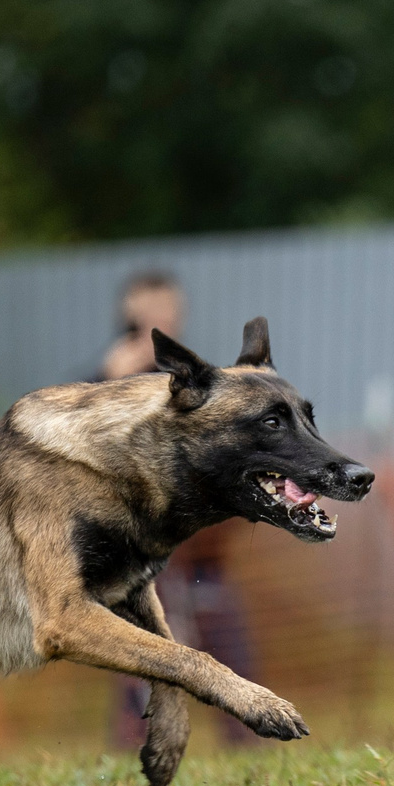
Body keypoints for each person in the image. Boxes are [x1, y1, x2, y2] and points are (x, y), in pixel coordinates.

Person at [99, 271, 263, 753]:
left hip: (199, 553)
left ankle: (252, 745)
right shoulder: (102, 378)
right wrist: (111, 383)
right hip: (138, 552)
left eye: (168, 306)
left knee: (227, 638)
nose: (161, 315)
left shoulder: (192, 377)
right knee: (145, 660)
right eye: (149, 306)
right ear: (129, 311)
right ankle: (135, 755)